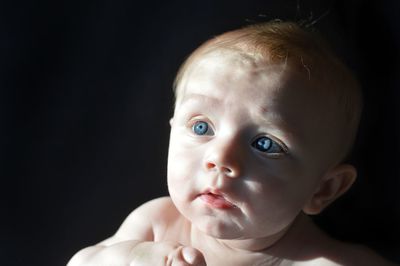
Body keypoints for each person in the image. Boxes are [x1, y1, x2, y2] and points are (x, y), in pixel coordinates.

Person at [68, 21, 397, 266]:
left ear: (323, 189)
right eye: (201, 126)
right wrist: (133, 258)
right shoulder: (158, 224)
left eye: (265, 144)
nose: (220, 158)